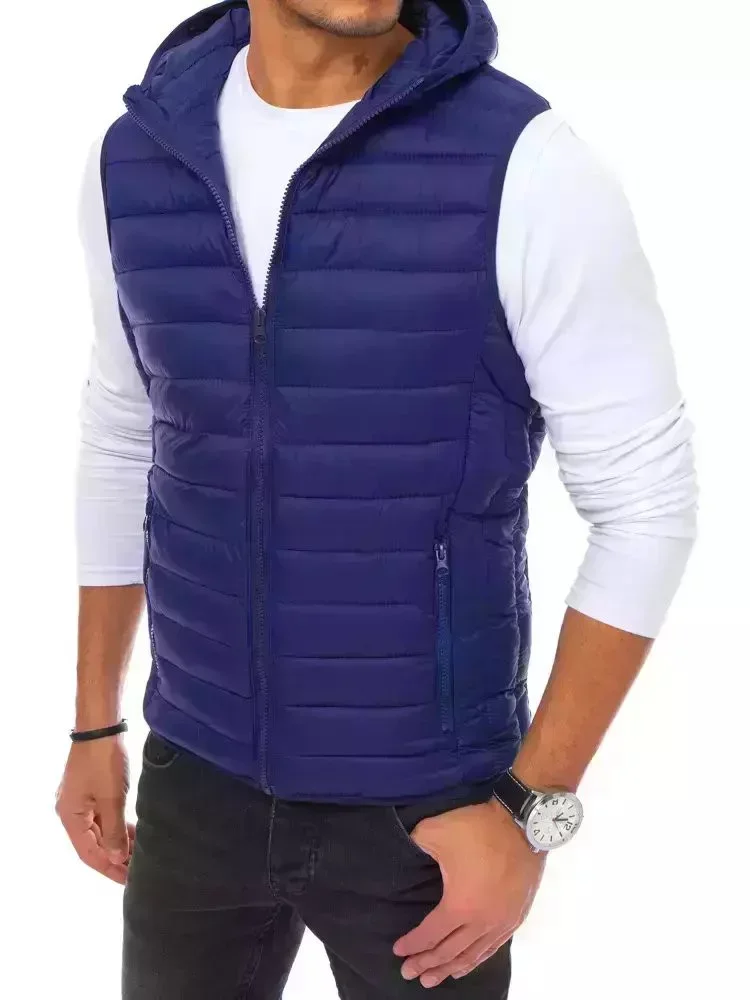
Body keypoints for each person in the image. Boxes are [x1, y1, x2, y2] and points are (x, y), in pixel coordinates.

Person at [56, 0, 698, 996]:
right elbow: (125, 429)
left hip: (426, 815)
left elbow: (646, 502)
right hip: (196, 781)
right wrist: (94, 724)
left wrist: (530, 808)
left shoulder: (527, 165)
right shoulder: (136, 160)